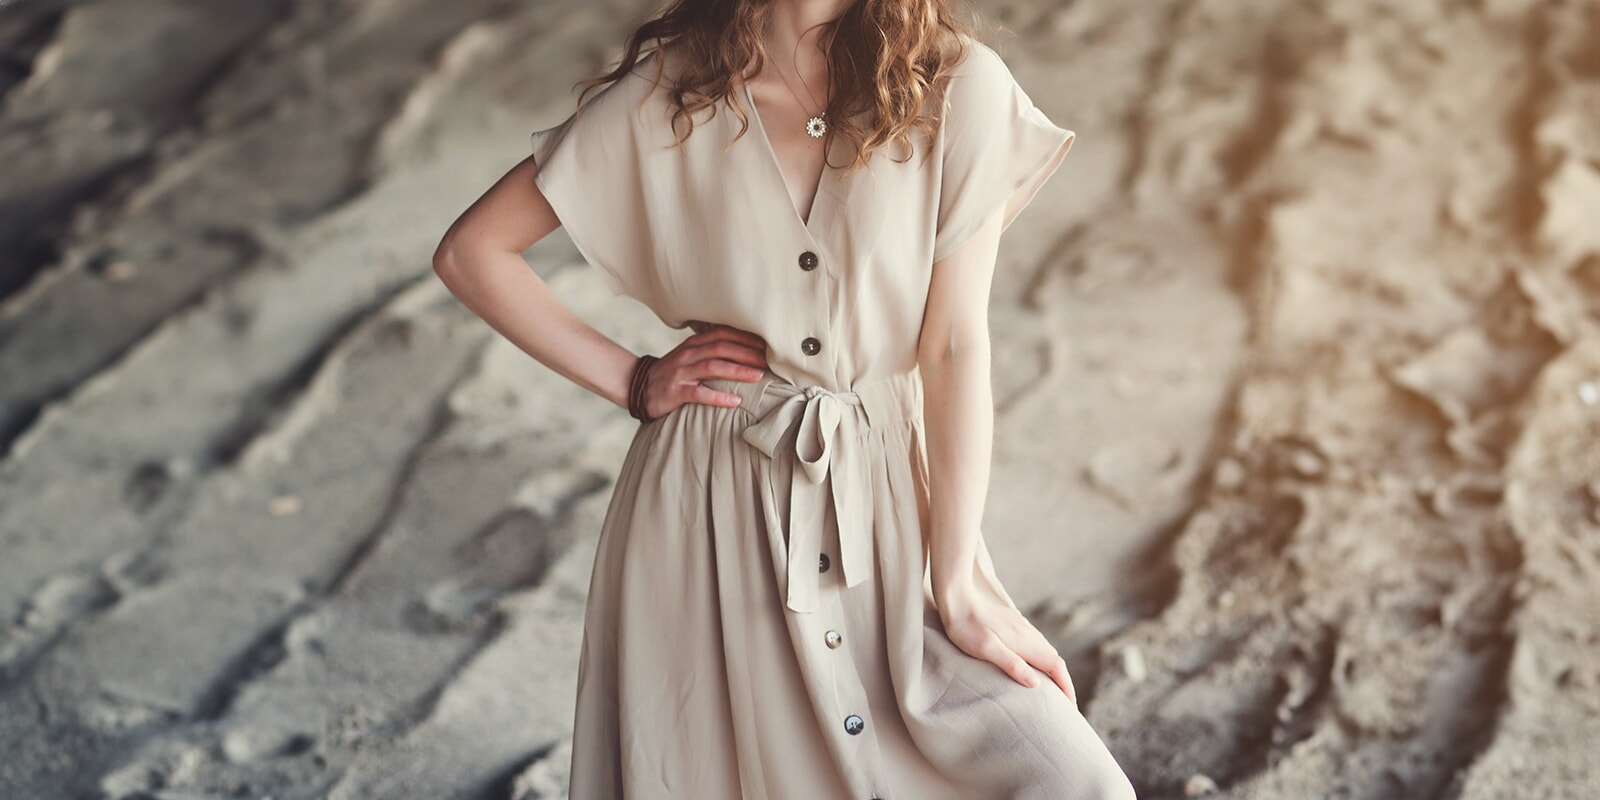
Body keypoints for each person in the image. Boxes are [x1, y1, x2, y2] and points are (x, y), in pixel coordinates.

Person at [432, 0, 1136, 796]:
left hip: (886, 508)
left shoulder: (955, 85)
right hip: (707, 512)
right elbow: (471, 252)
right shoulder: (671, 93)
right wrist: (634, 379)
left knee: (1072, 781)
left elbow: (952, 346)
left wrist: (959, 582)